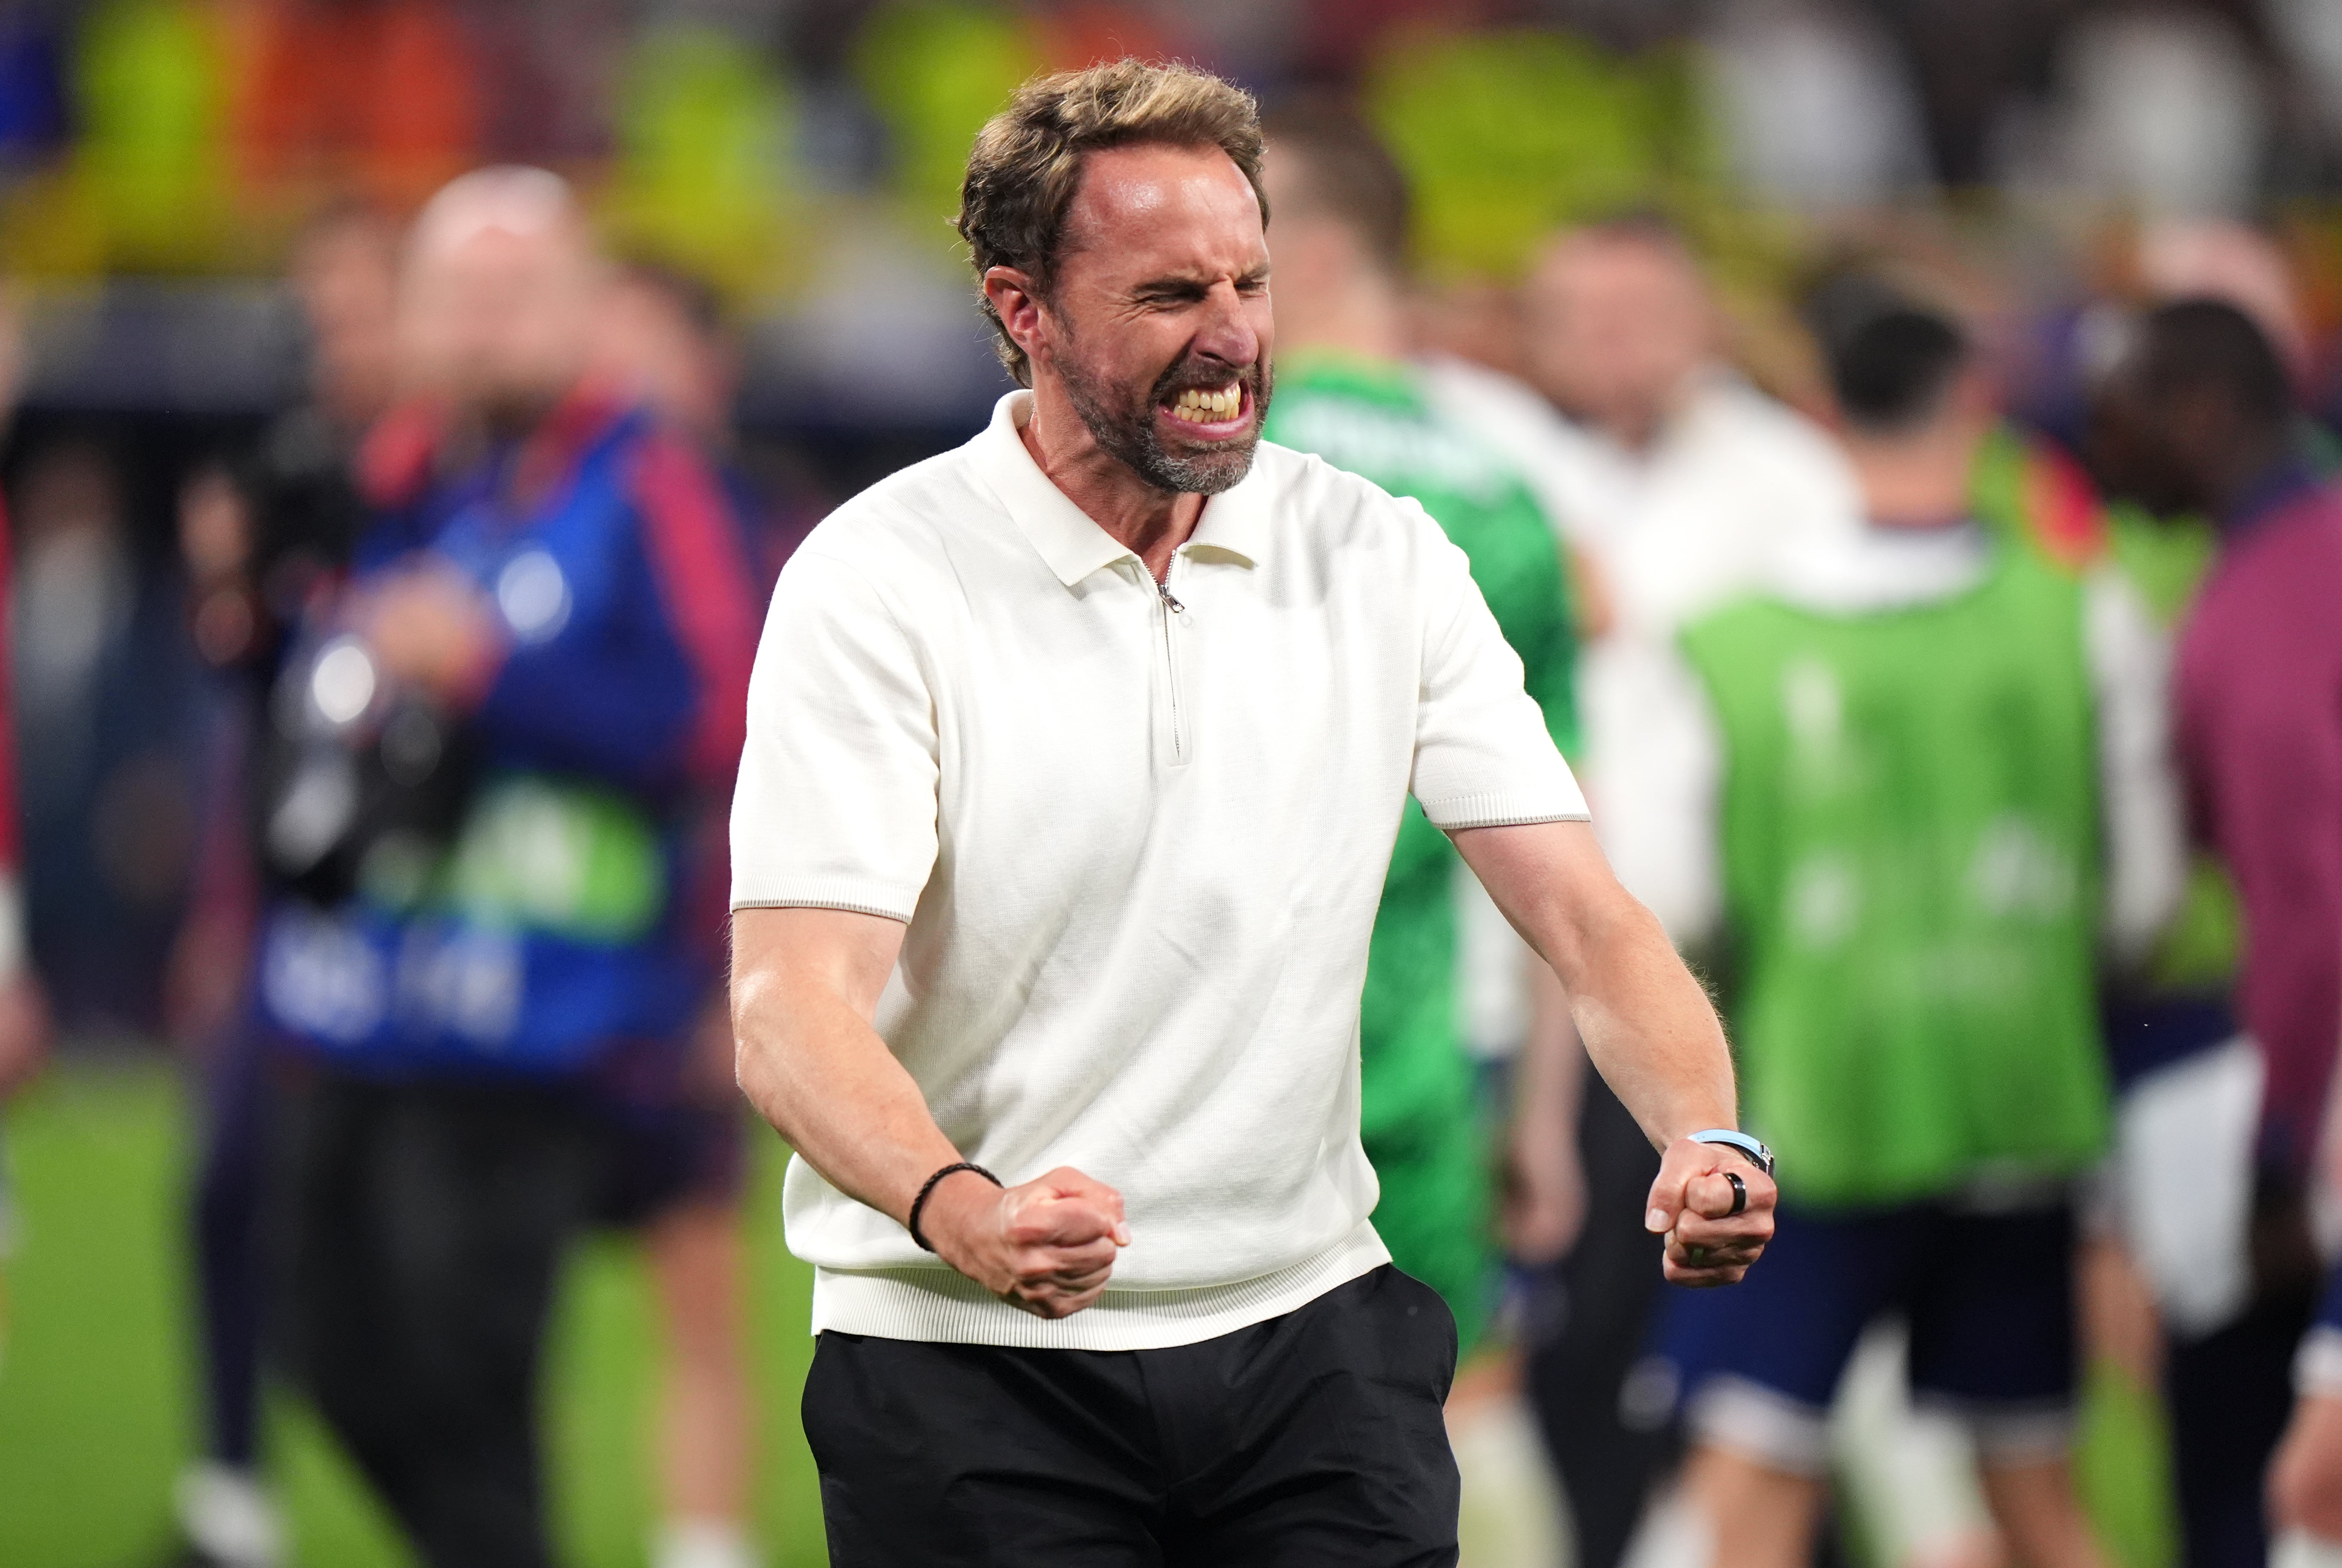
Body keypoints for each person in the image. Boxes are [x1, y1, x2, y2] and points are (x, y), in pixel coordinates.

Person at [728, 59, 1775, 1566]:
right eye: (1169, 297)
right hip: (964, 1367)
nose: (1233, 338)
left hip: (1315, 1345)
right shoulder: (881, 579)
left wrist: (1705, 1133)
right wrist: (960, 1209)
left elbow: (1586, 916)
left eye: (1252, 282)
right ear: (1022, 310)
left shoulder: (1382, 553)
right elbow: (789, 1004)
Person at [1616, 281, 2179, 1568]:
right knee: (2037, 1492)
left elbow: (1674, 898)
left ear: (1820, 411)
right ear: (1974, 404)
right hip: (2018, 1102)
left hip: (1819, 1112)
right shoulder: (2079, 611)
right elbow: (2141, 893)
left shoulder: (1723, 642)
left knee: (1751, 1485)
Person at [256, 166, 759, 1568]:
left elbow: (727, 719)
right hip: (358, 998)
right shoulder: (394, 483)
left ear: (585, 309)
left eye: (514, 294)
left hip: (546, 1026)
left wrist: (490, 678)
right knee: (322, 1344)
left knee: (471, 1392)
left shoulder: (651, 482)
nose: (481, 328)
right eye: (456, 298)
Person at [1421, 214, 1861, 1568]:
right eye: (1581, 315)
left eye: (1642, 313)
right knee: (1564, 1338)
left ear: (1700, 322)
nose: (1612, 344)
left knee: (1756, 1360)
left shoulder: (1790, 484)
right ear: (1530, 326)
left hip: (1740, 978)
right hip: (1523, 981)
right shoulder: (1481, 462)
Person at [1253, 104, 1579, 1357]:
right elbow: (1563, 827)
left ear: (1316, 257)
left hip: (1225, 1053)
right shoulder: (1508, 495)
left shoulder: (1211, 461)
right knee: (1429, 1426)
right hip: (1445, 1051)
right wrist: (1546, 1116)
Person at [2089, 299, 2342, 1568]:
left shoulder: (2262, 611)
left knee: (2253, 1488)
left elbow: (2314, 911)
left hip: (2321, 1090)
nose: (2104, 451)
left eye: (2123, 417)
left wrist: (2284, 1151)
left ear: (2198, 410)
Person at [166, 202, 401, 1568]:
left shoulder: (449, 474)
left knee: (402, 1249)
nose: (337, 340)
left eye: (361, 308)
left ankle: (427, 1502)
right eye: (318, 316)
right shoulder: (291, 469)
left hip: (426, 900)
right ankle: (234, 1494)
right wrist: (231, 592)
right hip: (297, 901)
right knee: (229, 1185)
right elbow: (254, 712)